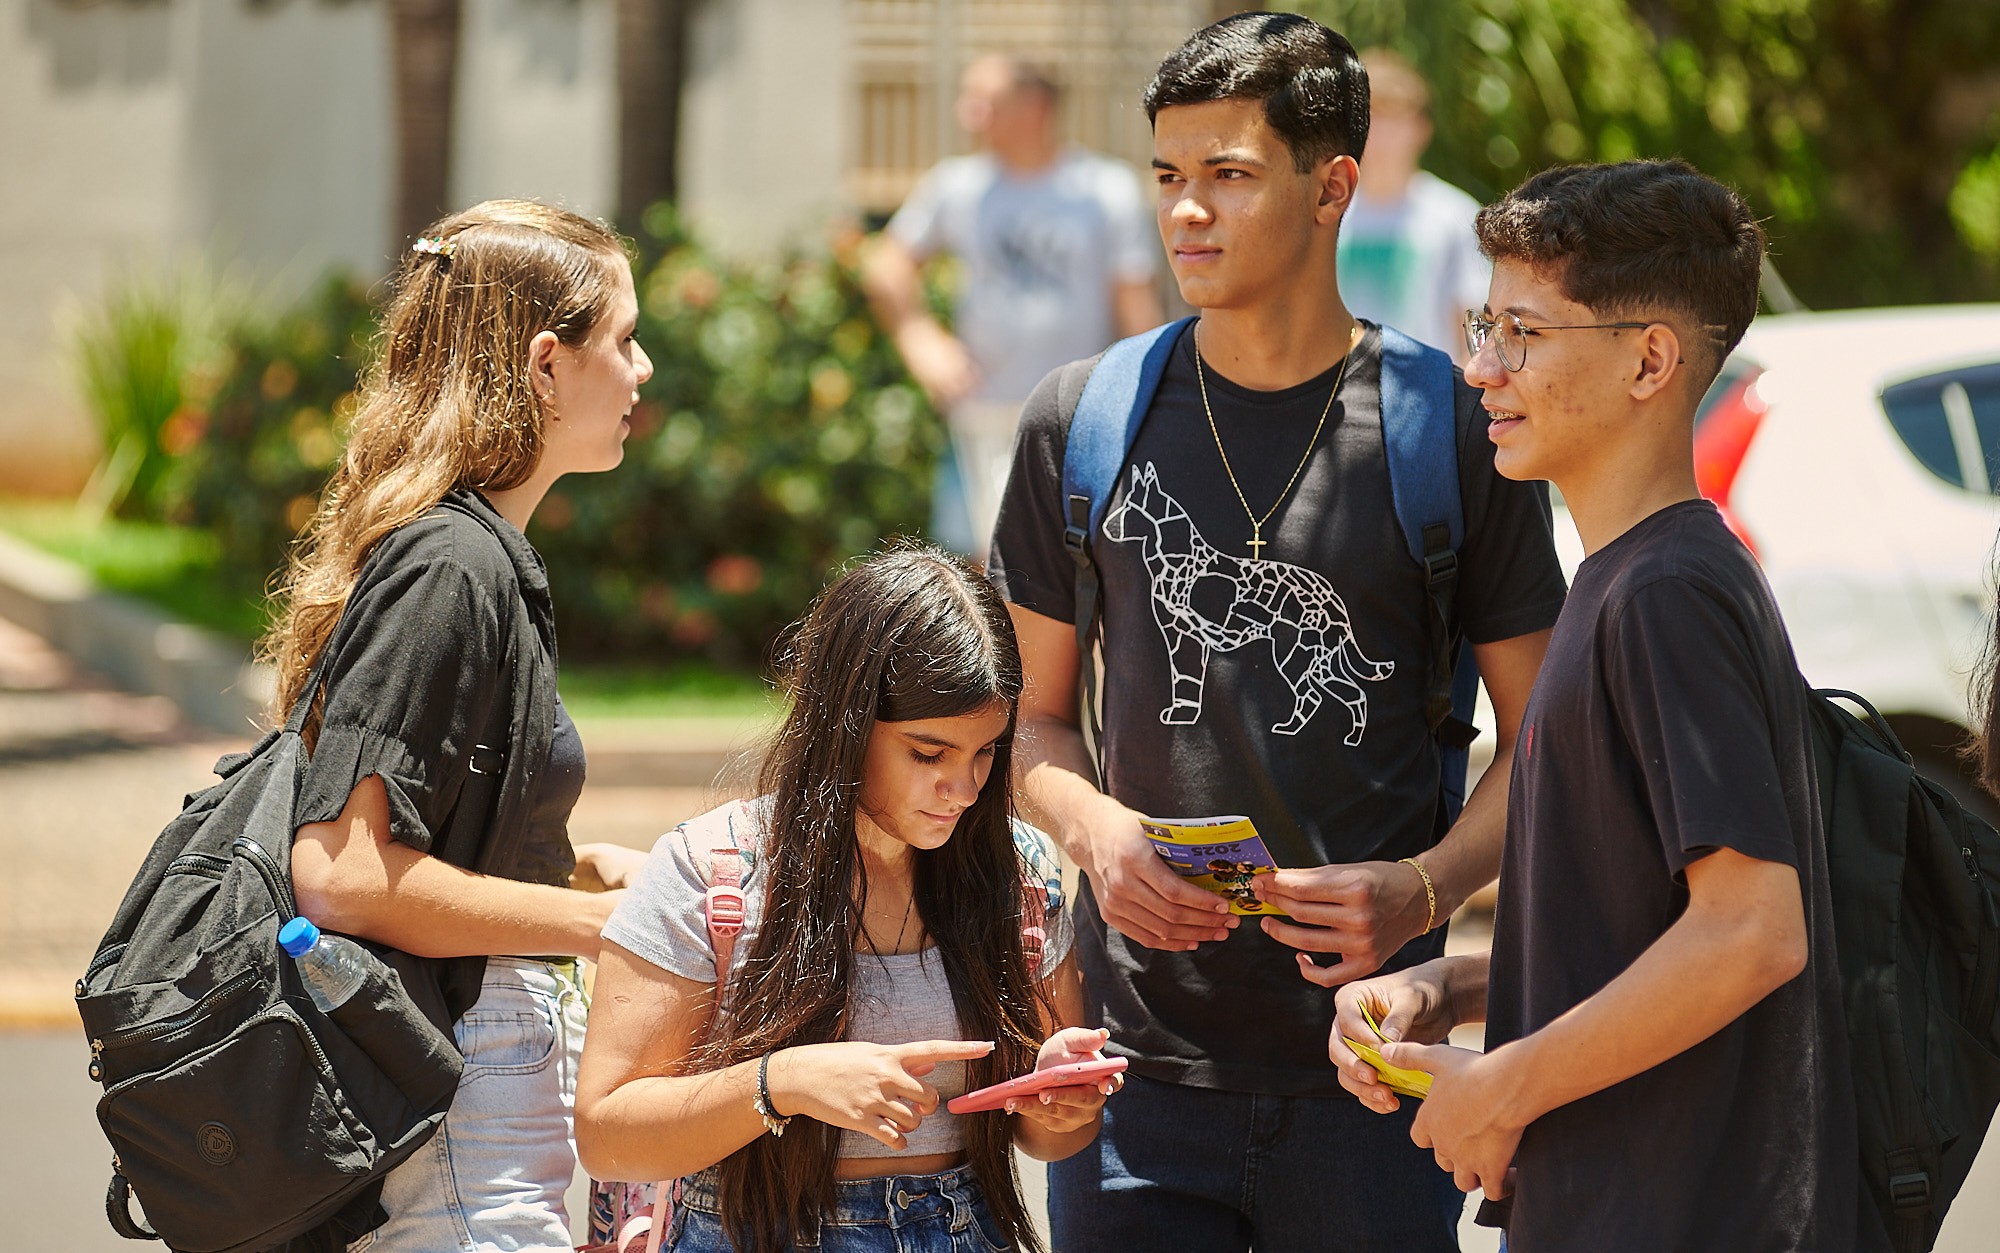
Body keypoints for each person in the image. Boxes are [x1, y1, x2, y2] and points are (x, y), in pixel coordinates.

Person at [986, 13, 1566, 1251]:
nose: (1184, 213)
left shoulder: (1450, 433)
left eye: (1228, 176)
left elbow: (1546, 739)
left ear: (1331, 185)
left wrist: (1422, 883)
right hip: (1130, 1080)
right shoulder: (1078, 422)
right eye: (1166, 179)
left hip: (1373, 1080)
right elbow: (1026, 718)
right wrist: (1099, 834)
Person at [1332, 159, 1873, 1251]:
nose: (1481, 365)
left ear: (1649, 360)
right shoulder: (1627, 576)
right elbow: (1648, 928)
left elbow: (1750, 933)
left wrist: (1503, 1086)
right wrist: (1458, 984)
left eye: (1520, 333)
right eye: (1483, 324)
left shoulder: (1665, 591)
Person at [274, 200, 655, 1250]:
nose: (643, 368)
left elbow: (443, 835)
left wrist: (574, 877)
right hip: (455, 1093)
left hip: (471, 1087)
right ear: (545, 364)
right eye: (622, 339)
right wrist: (596, 928)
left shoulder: (472, 555)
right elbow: (342, 873)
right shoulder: (451, 564)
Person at [574, 548, 1118, 1253]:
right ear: (847, 724)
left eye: (986, 751)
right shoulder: (714, 871)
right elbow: (607, 1132)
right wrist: (783, 1080)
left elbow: (1042, 1138)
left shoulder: (1018, 872)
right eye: (928, 754)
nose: (965, 787)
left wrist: (1060, 1101)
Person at [863, 54, 1163, 559]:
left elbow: (1136, 309)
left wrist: (1151, 405)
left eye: (983, 102)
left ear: (1035, 107)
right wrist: (922, 342)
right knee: (982, 573)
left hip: (1078, 421)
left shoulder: (1105, 190)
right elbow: (885, 267)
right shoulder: (956, 186)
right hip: (981, 416)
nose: (967, 114)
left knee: (1081, 568)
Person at [1336, 48, 1489, 363]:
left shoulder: (1454, 214)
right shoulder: (1328, 213)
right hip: (1339, 395)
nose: (1381, 136)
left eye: (1394, 119)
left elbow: (1473, 324)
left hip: (1429, 394)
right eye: (1371, 120)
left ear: (1421, 129)